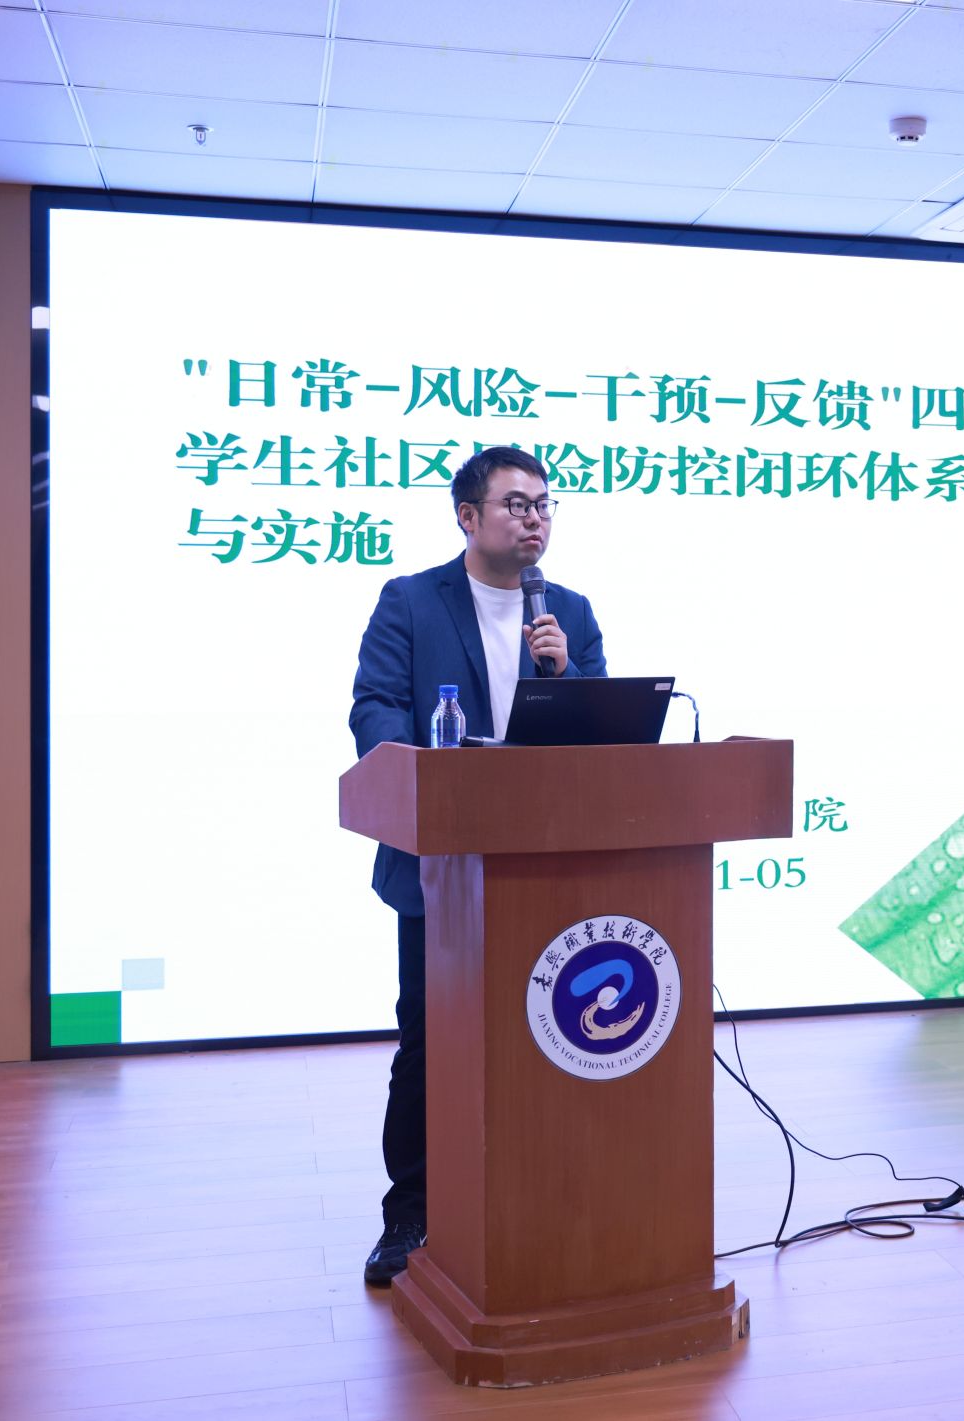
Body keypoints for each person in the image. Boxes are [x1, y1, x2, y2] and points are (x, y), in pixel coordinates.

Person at [348, 445, 607, 1286]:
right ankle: (411, 1215)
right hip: (441, 866)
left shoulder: (568, 611)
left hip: (547, 871)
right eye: (516, 504)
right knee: (430, 1043)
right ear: (467, 516)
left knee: (549, 1039)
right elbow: (375, 705)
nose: (535, 519)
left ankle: (541, 1202)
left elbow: (606, 731)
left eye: (544, 504)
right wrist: (423, 777)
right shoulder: (412, 600)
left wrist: (566, 672)